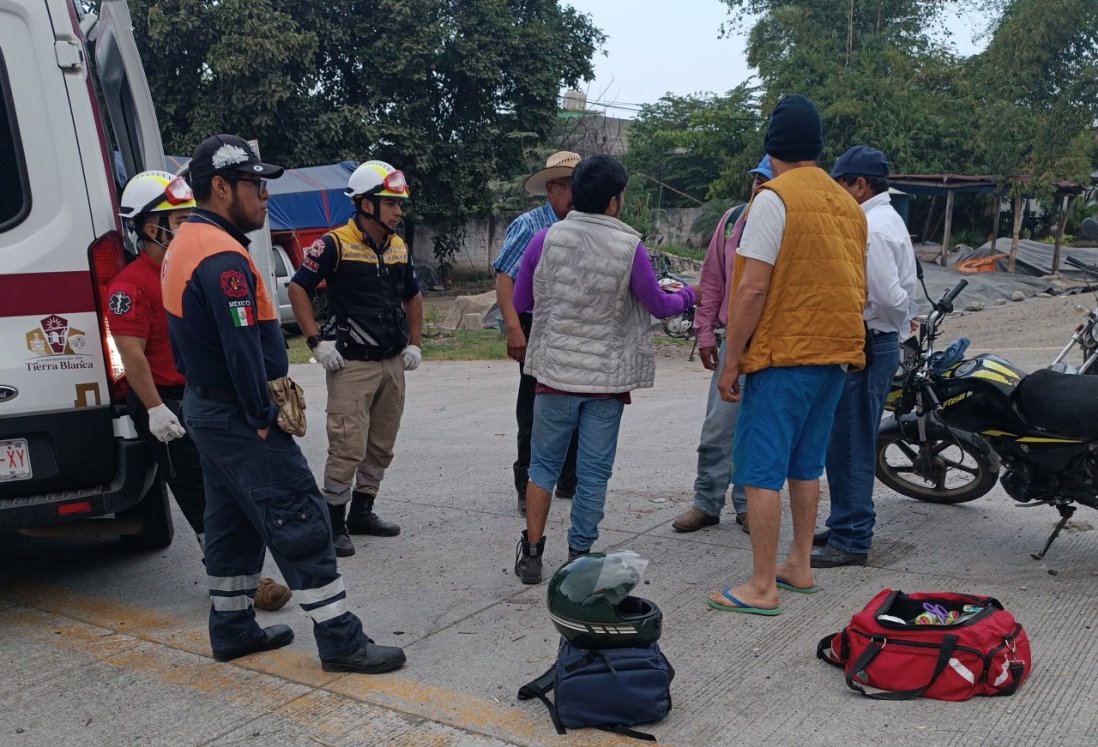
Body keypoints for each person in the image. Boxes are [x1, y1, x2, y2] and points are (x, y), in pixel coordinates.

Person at [163, 134, 405, 673]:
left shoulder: (187, 240)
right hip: (237, 413)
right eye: (254, 184)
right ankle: (342, 641)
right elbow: (241, 347)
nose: (265, 194)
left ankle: (232, 627)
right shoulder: (221, 255)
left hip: (206, 410)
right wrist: (263, 417)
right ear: (221, 187)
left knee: (231, 525)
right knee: (300, 513)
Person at [708, 96, 867, 615]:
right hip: (835, 356)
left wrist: (731, 361)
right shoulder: (847, 203)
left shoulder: (773, 199)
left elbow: (751, 290)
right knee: (805, 464)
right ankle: (799, 563)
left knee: (758, 470)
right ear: (818, 147)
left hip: (783, 355)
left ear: (771, 147)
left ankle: (760, 586)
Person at [511, 155, 698, 584]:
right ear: (614, 201)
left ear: (575, 194)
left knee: (542, 467)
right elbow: (657, 304)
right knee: (593, 474)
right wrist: (688, 296)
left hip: (553, 379)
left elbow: (522, 301)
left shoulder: (544, 240)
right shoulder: (629, 247)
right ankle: (579, 558)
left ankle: (533, 554)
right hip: (605, 386)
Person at [110, 170, 290, 612]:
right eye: (176, 218)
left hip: (201, 396)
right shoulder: (130, 285)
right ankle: (235, 582)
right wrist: (154, 409)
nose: (187, 224)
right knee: (198, 493)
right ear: (150, 227)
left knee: (226, 487)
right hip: (165, 404)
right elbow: (131, 353)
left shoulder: (188, 268)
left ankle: (239, 575)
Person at [288, 160, 423, 557]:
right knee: (347, 445)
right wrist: (315, 342)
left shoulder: (398, 246)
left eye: (400, 203)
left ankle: (363, 511)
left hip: (392, 362)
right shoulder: (334, 244)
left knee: (381, 444)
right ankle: (333, 522)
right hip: (351, 365)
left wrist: (415, 344)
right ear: (365, 204)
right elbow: (299, 288)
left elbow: (413, 295)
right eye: (391, 203)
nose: (399, 211)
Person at [812, 146, 918, 567]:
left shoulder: (871, 227)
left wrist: (894, 321)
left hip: (870, 341)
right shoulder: (883, 219)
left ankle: (852, 538)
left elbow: (888, 296)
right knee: (845, 440)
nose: (837, 190)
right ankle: (845, 522)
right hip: (877, 340)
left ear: (859, 184)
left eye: (841, 182)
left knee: (851, 444)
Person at [671, 156, 772, 535]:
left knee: (759, 429)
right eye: (756, 181)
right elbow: (711, 279)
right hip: (733, 340)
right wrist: (705, 332)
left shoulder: (791, 226)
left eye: (768, 181)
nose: (759, 189)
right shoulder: (732, 221)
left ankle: (748, 504)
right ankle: (706, 501)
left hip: (774, 344)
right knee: (718, 426)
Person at [493, 151, 581, 516]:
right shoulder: (530, 226)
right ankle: (524, 484)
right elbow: (504, 278)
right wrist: (514, 329)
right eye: (572, 186)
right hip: (534, 325)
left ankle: (569, 479)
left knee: (576, 400)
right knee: (533, 406)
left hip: (569, 326)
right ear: (552, 189)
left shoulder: (580, 226)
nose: (578, 193)